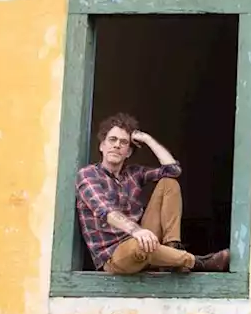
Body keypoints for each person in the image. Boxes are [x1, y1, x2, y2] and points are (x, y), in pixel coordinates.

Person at [76, 112, 229, 275]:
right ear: (102, 146)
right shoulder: (88, 174)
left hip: (143, 240)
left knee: (169, 183)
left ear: (128, 152)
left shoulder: (133, 173)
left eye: (123, 142)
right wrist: (136, 231)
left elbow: (173, 170)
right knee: (140, 245)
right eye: (112, 140)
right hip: (114, 255)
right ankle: (197, 262)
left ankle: (172, 249)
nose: (116, 145)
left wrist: (146, 139)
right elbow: (105, 211)